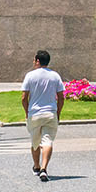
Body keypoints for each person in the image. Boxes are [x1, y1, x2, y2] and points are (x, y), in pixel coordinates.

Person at [21, 50, 64, 182]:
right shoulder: (55, 76)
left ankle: (37, 166)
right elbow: (61, 97)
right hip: (50, 113)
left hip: (34, 114)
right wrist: (58, 113)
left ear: (38, 61)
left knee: (35, 142)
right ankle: (44, 168)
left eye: (34, 60)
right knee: (47, 141)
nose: (33, 62)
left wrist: (27, 112)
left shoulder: (30, 76)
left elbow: (24, 97)